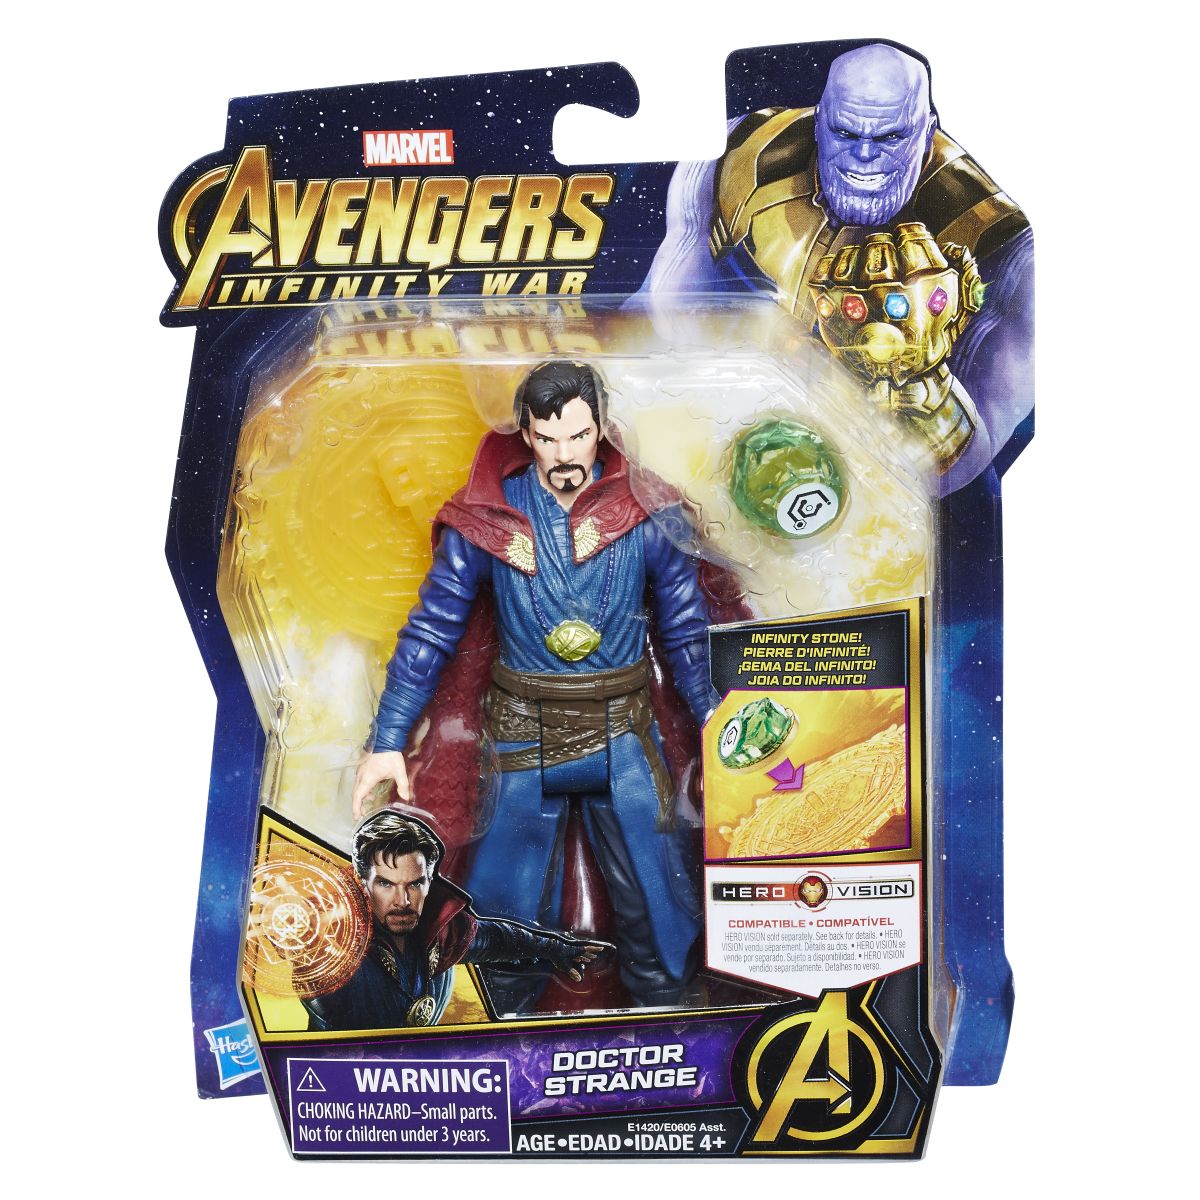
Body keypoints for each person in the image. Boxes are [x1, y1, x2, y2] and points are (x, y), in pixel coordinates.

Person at [352, 360, 716, 1013]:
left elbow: (687, 628)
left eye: (577, 436)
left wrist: (715, 718)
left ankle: (670, 1017)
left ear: (601, 427)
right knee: (503, 906)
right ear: (525, 433)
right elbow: (432, 630)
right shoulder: (489, 520)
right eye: (548, 438)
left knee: (660, 901)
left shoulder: (646, 511)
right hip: (522, 732)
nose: (564, 454)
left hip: (623, 728)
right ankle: (499, 1024)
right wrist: (387, 740)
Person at [642, 42, 1033, 495]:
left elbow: (972, 454)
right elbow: (667, 315)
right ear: (819, 119)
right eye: (845, 132)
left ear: (928, 132)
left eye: (890, 138)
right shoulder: (741, 152)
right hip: (739, 405)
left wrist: (926, 389)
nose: (864, 155)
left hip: (886, 472)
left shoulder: (998, 237)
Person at [303, 810, 607, 1031]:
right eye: (385, 884)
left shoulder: (443, 931)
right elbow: (308, 949)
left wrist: (556, 948)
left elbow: (500, 939)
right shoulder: (334, 937)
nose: (403, 901)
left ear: (429, 882)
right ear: (362, 882)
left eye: (414, 884)